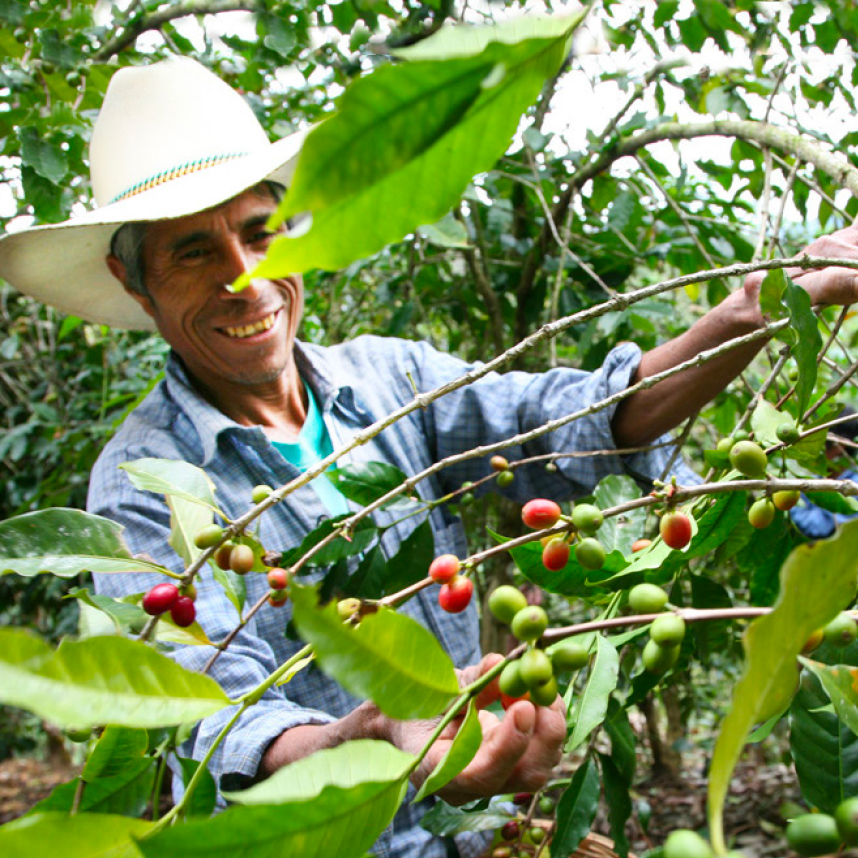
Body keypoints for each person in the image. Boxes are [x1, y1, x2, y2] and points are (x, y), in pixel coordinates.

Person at [3, 56, 858, 858]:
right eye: (193, 252)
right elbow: (202, 710)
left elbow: (574, 424)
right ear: (133, 283)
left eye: (260, 235)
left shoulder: (393, 381)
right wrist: (356, 739)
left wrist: (751, 310)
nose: (248, 280)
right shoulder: (140, 484)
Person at [790, 407, 858, 539]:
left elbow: (820, 527)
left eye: (821, 443)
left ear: (839, 446)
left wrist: (791, 503)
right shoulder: (814, 479)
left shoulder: (854, 487)